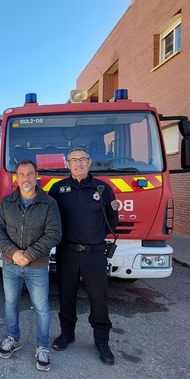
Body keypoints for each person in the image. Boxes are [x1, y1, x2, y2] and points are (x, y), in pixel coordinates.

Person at [48, 147, 119, 365]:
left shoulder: (103, 189)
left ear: (89, 162)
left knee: (99, 299)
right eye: (73, 160)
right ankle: (67, 334)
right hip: (67, 252)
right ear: (67, 164)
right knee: (66, 296)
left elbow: (112, 220)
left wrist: (93, 237)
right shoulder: (57, 189)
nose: (78, 163)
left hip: (94, 253)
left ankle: (102, 342)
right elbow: (50, 216)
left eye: (82, 160)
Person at [0, 159, 62, 371]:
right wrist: (14, 253)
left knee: (41, 307)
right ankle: (13, 338)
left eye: (30, 174)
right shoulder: (7, 202)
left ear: (36, 175)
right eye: (21, 174)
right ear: (16, 177)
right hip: (11, 264)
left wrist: (29, 254)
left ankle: (42, 346)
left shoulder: (49, 203)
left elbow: (54, 234)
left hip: (37, 266)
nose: (26, 178)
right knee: (10, 303)